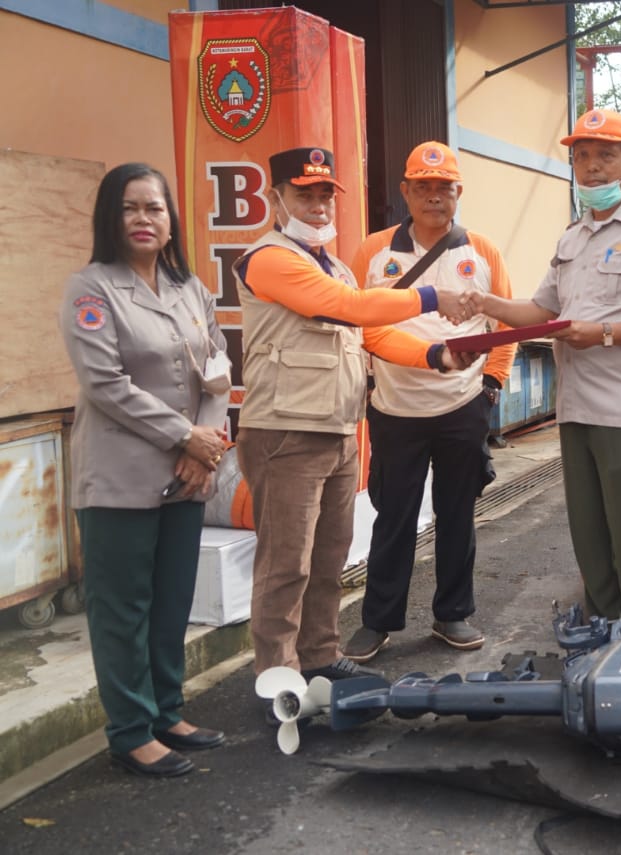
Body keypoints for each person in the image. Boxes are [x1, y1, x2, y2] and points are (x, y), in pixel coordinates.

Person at [233, 147, 476, 690]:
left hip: (340, 427)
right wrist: (433, 296)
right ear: (275, 198)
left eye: (325, 195)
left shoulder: (334, 264)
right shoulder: (270, 259)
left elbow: (372, 333)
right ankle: (278, 673)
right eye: (304, 194)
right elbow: (351, 308)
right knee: (285, 564)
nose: (318, 206)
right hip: (286, 430)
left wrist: (434, 356)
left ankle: (319, 654)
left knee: (329, 556)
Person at [462, 109, 621, 620]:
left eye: (605, 156)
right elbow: (541, 311)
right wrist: (486, 304)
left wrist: (604, 334)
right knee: (591, 537)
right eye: (581, 157)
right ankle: (605, 636)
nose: (591, 168)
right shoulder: (572, 236)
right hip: (576, 409)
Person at [60, 163, 229, 777]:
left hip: (189, 473)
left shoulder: (191, 289)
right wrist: (187, 435)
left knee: (169, 603)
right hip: (120, 478)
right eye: (130, 208)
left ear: (169, 219)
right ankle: (130, 730)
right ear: (112, 217)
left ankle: (166, 711)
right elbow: (106, 384)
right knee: (123, 607)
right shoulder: (92, 289)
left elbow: (218, 367)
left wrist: (204, 444)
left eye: (154, 208)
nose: (143, 219)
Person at [342, 142, 515, 660]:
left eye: (444, 187)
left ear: (459, 192)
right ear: (405, 192)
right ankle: (378, 621)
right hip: (394, 409)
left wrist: (492, 387)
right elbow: (360, 325)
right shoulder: (373, 251)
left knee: (457, 514)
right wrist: (425, 356)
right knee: (391, 515)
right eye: (423, 186)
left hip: (463, 407)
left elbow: (504, 323)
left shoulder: (481, 251)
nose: (434, 196)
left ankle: (452, 614)